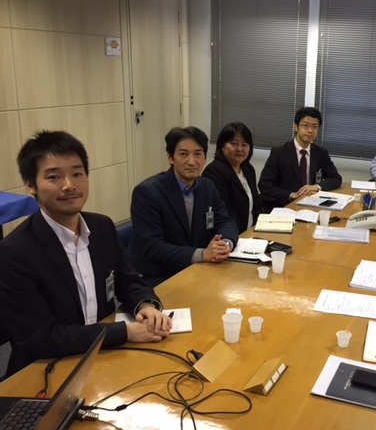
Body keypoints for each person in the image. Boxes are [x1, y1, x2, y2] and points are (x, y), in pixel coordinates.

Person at [0, 131, 171, 375]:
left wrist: (146, 305)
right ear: (30, 186)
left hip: (102, 356)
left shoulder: (101, 227)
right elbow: (39, 338)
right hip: (46, 369)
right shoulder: (14, 252)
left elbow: (128, 280)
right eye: (54, 177)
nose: (69, 185)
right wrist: (124, 332)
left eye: (77, 174)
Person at [128, 126, 239, 287]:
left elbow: (225, 220)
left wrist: (226, 244)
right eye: (183, 154)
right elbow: (153, 247)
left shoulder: (206, 186)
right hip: (157, 275)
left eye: (198, 154)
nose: (192, 161)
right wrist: (202, 254)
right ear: (170, 157)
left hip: (194, 268)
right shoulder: (147, 192)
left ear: (205, 158)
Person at [258, 107, 342, 209]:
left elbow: (336, 178)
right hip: (286, 206)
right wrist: (291, 194)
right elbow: (264, 184)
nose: (310, 130)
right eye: (306, 126)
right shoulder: (279, 152)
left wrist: (316, 187)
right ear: (296, 127)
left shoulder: (321, 153)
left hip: (312, 205)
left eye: (314, 127)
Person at [202, 122, 262, 232]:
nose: (239, 149)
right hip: (229, 235)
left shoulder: (248, 169)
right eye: (234, 143)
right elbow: (223, 212)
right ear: (222, 146)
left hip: (250, 233)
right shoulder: (214, 172)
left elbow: (255, 204)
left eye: (244, 144)